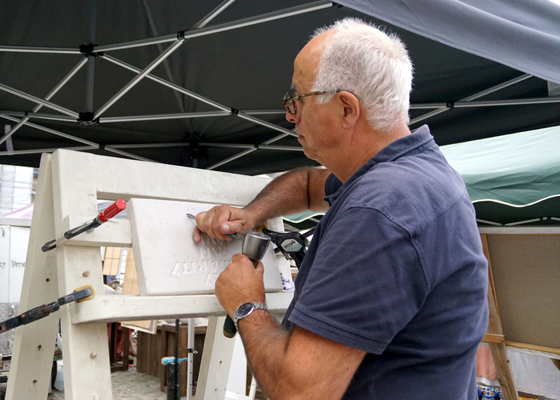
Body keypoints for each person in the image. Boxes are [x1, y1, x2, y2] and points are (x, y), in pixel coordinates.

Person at [193, 18, 489, 400]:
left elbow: (300, 392)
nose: (290, 115)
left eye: (297, 99)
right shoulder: (415, 174)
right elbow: (307, 183)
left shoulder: (380, 209)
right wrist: (252, 213)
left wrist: (247, 305)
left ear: (347, 108)